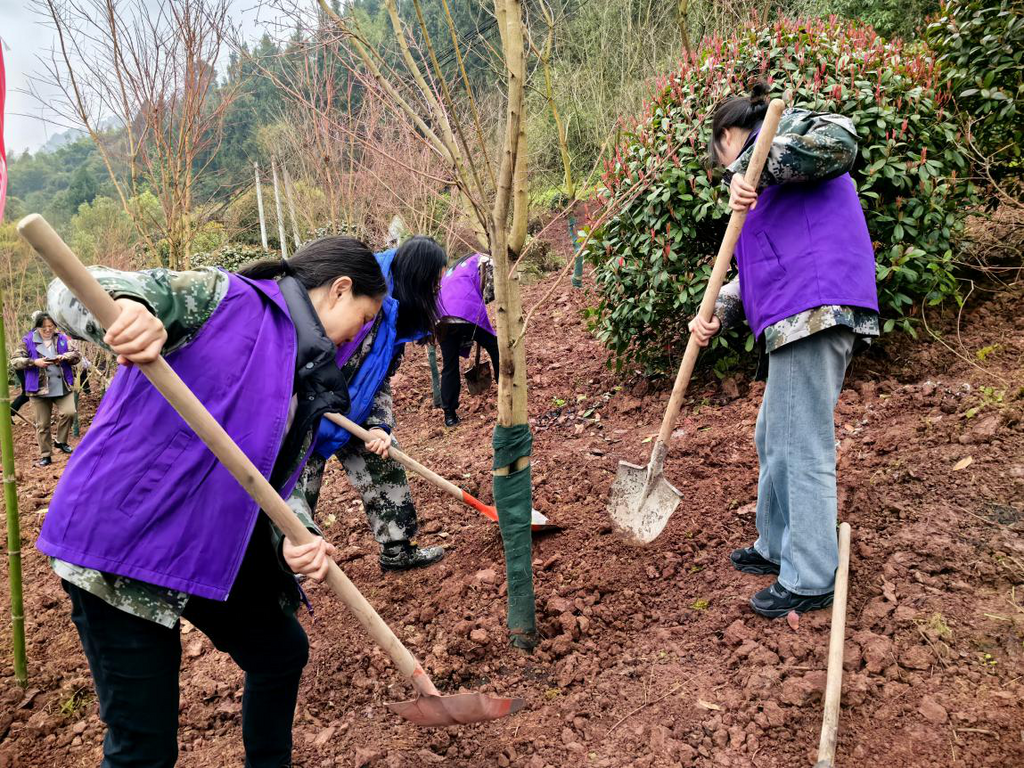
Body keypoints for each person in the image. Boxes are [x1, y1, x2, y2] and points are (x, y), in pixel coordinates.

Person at [36, 237, 387, 768]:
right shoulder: (222, 298)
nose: (359, 334)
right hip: (123, 542)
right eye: (364, 318)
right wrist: (130, 311)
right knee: (144, 748)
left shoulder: (305, 373)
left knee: (280, 652)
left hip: (204, 540)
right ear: (340, 290)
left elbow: (277, 480)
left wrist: (297, 535)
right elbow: (68, 290)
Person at [689, 83, 879, 618]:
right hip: (793, 313)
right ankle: (775, 545)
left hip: (816, 305)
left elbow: (844, 140)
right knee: (773, 434)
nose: (726, 168)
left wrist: (757, 162)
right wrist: (719, 312)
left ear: (728, 135)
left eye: (723, 155)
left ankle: (810, 575)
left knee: (801, 444)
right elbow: (757, 269)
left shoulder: (787, 132)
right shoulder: (760, 196)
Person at [296, 235, 448, 571]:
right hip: (305, 411)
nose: (437, 292)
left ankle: (397, 549)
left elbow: (380, 378)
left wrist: (380, 425)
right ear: (417, 277)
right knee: (295, 492)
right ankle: (285, 575)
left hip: (354, 410)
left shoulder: (398, 316)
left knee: (384, 462)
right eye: (434, 284)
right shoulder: (360, 296)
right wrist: (313, 403)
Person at [435, 252, 499, 428]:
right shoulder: (484, 259)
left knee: (449, 364)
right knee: (495, 346)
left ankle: (449, 415)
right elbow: (491, 291)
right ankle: (506, 389)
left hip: (440, 317)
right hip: (465, 310)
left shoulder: (454, 268)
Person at [10, 311, 81, 466]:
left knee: (69, 412)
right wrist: (34, 362)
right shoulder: (28, 340)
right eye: (44, 327)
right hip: (38, 388)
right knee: (42, 425)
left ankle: (60, 441)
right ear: (37, 327)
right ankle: (46, 455)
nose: (48, 329)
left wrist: (64, 357)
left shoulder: (61, 339)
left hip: (61, 385)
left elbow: (77, 355)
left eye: (51, 326)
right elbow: (15, 361)